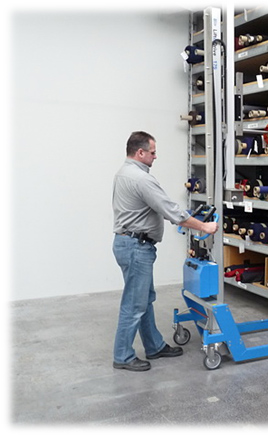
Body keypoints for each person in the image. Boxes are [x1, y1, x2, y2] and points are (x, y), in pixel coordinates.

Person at [111, 131, 219, 371]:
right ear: (140, 152)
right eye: (152, 152)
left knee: (144, 299)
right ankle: (122, 356)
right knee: (134, 304)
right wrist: (204, 226)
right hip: (136, 247)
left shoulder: (123, 173)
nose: (155, 156)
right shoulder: (141, 179)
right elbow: (171, 211)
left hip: (130, 244)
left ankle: (154, 346)